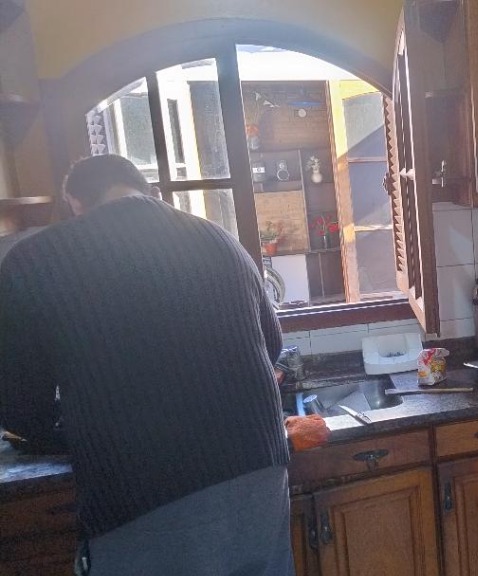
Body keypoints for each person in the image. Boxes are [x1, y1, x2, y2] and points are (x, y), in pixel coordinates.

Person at [0, 155, 293, 575]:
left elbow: (22, 410)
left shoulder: (34, 260)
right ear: (148, 189)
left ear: (76, 202)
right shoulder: (217, 238)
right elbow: (272, 344)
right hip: (258, 474)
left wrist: (79, 429)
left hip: (143, 489)